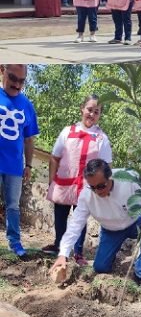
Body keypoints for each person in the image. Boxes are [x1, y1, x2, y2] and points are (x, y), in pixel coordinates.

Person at [50, 159, 141, 292]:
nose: (97, 191)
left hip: (134, 222)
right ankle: (111, 255)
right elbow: (75, 225)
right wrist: (63, 253)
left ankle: (140, 273)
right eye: (93, 187)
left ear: (110, 177)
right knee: (100, 268)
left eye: (101, 186)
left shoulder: (130, 178)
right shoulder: (86, 196)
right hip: (110, 230)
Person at [41, 95, 112, 265]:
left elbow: (107, 165)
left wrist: (103, 187)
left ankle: (78, 252)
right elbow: (54, 157)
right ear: (82, 109)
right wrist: (52, 181)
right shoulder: (67, 131)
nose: (92, 114)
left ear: (99, 115)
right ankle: (58, 246)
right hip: (64, 184)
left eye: (97, 112)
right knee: (60, 216)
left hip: (86, 188)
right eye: (89, 109)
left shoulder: (102, 138)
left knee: (80, 220)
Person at [0, 65, 38, 257]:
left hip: (14, 166)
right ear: (2, 71)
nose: (17, 84)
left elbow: (29, 139)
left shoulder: (27, 105)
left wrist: (29, 165)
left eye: (21, 81)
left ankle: (14, 242)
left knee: (13, 205)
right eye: (13, 78)